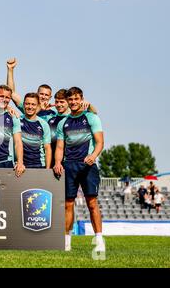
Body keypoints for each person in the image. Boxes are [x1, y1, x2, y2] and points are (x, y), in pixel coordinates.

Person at [53, 87, 105, 252]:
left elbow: (100, 142)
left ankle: (98, 239)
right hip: (69, 166)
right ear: (68, 101)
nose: (73, 102)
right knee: (68, 204)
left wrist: (93, 155)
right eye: (71, 100)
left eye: (76, 99)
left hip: (88, 165)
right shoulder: (63, 122)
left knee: (92, 203)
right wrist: (57, 162)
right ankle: (66, 241)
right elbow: (60, 147)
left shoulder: (91, 117)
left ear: (81, 99)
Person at [19, 93, 52, 169]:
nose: (30, 107)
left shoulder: (44, 124)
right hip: (21, 165)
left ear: (38, 106)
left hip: (39, 164)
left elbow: (47, 148)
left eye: (33, 104)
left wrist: (47, 169)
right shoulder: (17, 120)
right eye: (27, 104)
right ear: (23, 104)